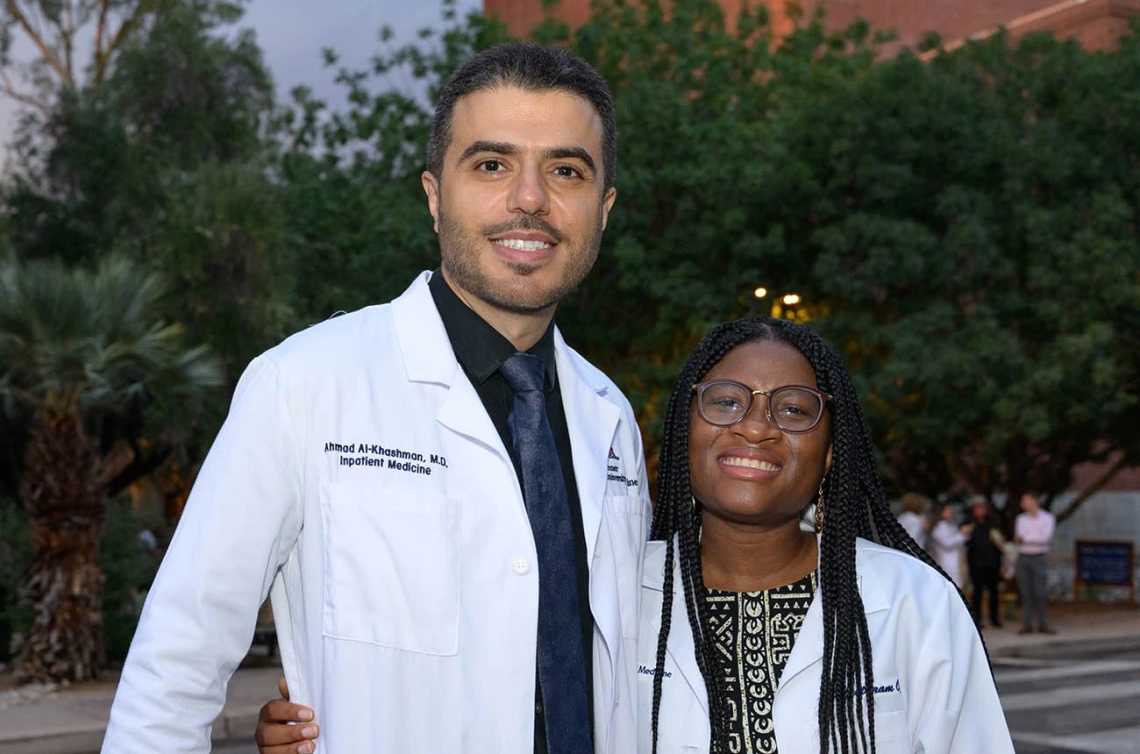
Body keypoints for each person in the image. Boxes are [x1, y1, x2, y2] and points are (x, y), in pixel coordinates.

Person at [102, 42, 650, 754]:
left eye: (566, 170)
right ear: (433, 194)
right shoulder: (303, 384)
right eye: (492, 164)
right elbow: (175, 664)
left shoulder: (610, 419)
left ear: (602, 209)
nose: (529, 199)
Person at [256, 317, 1013, 754]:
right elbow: (476, 705)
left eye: (792, 408)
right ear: (683, 430)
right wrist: (320, 726)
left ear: (831, 449)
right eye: (725, 399)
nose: (755, 423)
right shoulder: (607, 588)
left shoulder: (912, 605)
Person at [1014, 492, 1056, 635]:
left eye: (1025, 501)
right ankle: (1027, 623)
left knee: (1040, 592)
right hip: (1023, 556)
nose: (1023, 504)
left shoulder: (1047, 518)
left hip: (1039, 556)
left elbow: (1045, 538)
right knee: (1025, 592)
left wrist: (1026, 538)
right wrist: (1031, 538)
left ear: (1034, 501)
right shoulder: (1021, 519)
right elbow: (1019, 536)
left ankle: (1043, 623)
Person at [965, 496, 1004, 629]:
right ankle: (977, 619)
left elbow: (999, 540)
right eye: (977, 508)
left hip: (992, 562)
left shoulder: (992, 523)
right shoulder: (969, 524)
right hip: (976, 563)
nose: (980, 511)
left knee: (994, 591)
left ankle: (994, 618)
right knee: (977, 592)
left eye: (982, 508)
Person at [930, 503, 969, 589]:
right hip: (946, 561)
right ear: (941, 512)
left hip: (956, 560)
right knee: (950, 586)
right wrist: (962, 533)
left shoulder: (951, 525)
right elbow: (948, 543)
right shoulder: (938, 528)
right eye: (948, 510)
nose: (951, 512)